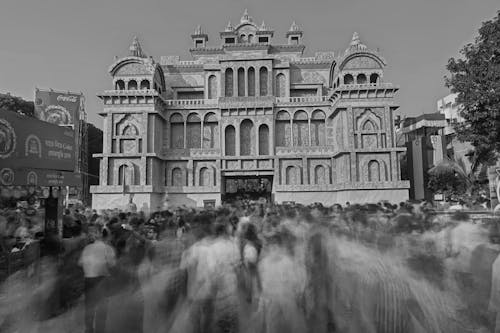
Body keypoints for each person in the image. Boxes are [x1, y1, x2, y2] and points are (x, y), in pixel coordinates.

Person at [79, 225, 116, 333]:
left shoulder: (87, 248)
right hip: (102, 280)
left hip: (89, 280)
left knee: (89, 308)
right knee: (101, 309)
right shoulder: (107, 248)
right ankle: (100, 330)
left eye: (94, 232)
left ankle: (89, 329)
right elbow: (112, 264)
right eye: (90, 232)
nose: (91, 234)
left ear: (100, 233)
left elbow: (80, 263)